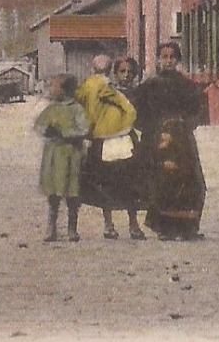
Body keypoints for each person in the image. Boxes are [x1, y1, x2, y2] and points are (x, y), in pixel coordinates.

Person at [135, 41, 208, 240]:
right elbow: (138, 113)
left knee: (190, 180)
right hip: (159, 139)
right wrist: (153, 131)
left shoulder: (187, 85)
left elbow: (199, 110)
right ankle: (165, 228)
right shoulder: (149, 85)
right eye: (164, 57)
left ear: (178, 60)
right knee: (162, 181)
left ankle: (187, 227)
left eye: (172, 57)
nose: (168, 61)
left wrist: (185, 124)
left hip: (182, 139)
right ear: (158, 60)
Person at [74, 57, 141, 240]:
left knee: (130, 181)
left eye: (130, 72)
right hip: (104, 139)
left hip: (127, 138)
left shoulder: (137, 93)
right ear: (114, 72)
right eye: (122, 71)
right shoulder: (104, 90)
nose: (126, 75)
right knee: (105, 182)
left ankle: (133, 223)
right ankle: (108, 224)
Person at [35, 73, 89, 242]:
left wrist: (65, 133)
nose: (50, 90)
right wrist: (47, 130)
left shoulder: (77, 109)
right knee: (53, 193)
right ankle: (51, 227)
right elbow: (39, 125)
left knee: (72, 192)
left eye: (54, 87)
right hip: (53, 154)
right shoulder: (51, 108)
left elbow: (84, 129)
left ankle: (72, 228)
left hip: (71, 155)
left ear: (65, 90)